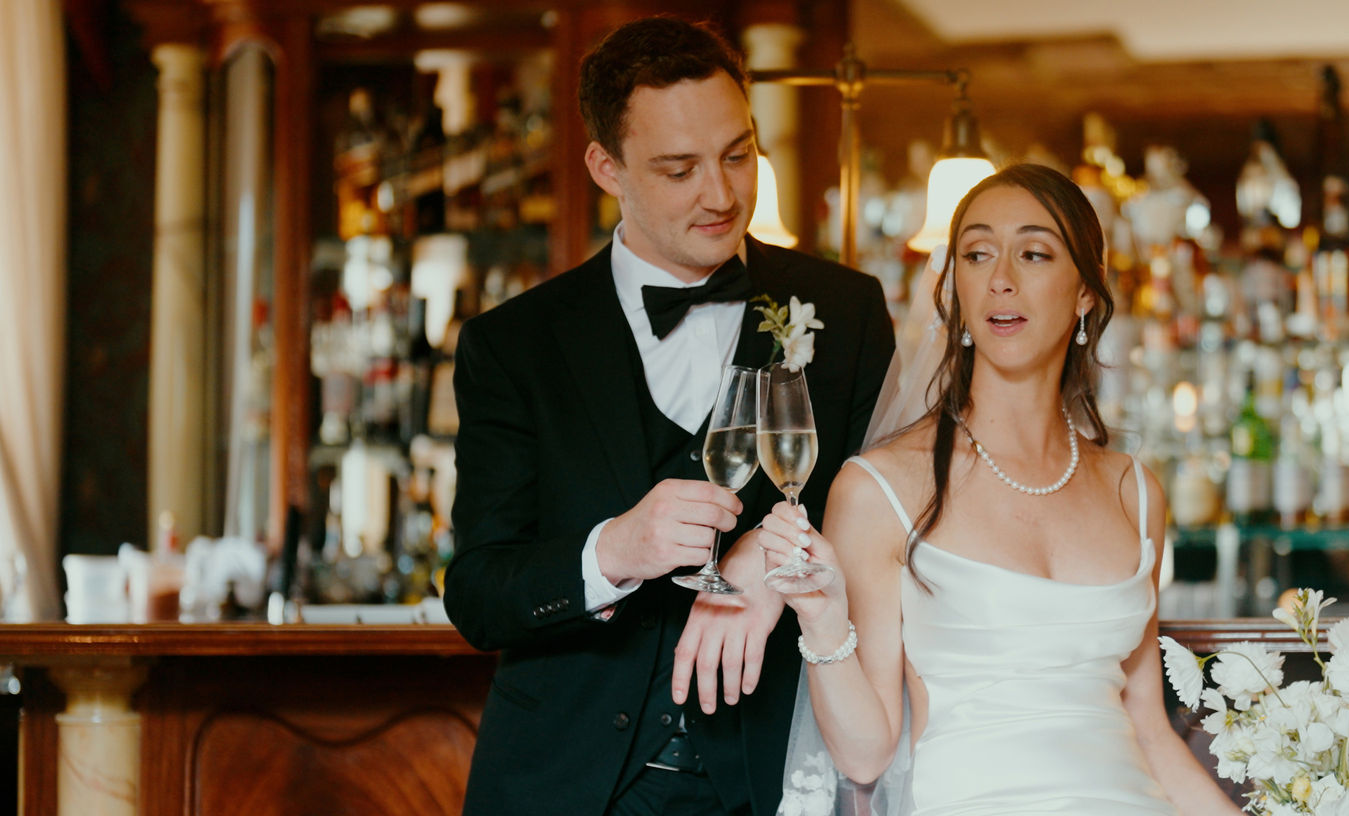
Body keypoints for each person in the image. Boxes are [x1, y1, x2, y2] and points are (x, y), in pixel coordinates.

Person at [444, 16, 893, 816]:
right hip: (563, 788)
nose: (721, 195)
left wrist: (774, 553)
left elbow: (895, 528)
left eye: (737, 155)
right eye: (679, 169)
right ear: (606, 167)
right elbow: (479, 593)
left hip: (771, 779)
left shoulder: (845, 313)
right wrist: (612, 551)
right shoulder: (512, 345)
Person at [754, 164, 1241, 815]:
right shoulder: (882, 488)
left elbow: (1149, 729)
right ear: (956, 287)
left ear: (1085, 293)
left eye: (1033, 254)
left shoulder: (1135, 491)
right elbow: (864, 756)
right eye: (978, 254)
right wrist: (820, 622)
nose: (1001, 278)